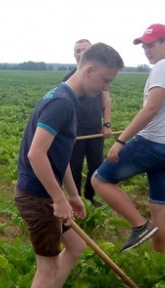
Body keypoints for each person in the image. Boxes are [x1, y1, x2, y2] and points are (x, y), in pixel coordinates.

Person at [15, 43, 124, 288]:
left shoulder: (68, 98)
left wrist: (73, 195)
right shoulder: (61, 103)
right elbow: (37, 155)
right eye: (105, 80)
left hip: (46, 193)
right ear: (88, 70)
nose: (106, 88)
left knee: (75, 247)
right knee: (47, 265)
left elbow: (56, 154)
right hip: (36, 196)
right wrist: (58, 199)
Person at [91, 23, 165, 253]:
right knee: (160, 207)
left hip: (153, 144)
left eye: (152, 45)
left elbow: (151, 108)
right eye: (144, 46)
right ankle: (159, 259)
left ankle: (139, 226)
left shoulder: (164, 67)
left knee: (100, 180)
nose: (147, 50)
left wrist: (121, 140)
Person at [62, 39, 113, 208]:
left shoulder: (99, 77)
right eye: (78, 50)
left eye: (85, 49)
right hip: (74, 132)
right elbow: (64, 104)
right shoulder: (69, 78)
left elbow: (106, 99)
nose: (81, 53)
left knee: (96, 165)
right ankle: (75, 199)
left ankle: (90, 196)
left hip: (95, 130)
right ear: (74, 54)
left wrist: (106, 124)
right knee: (74, 167)